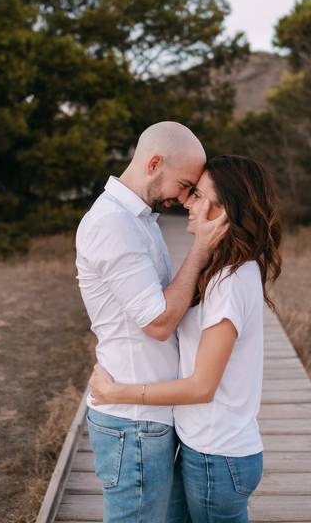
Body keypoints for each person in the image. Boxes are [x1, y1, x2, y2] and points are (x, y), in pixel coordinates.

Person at [89, 154, 282, 523]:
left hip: (218, 455)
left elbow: (201, 387)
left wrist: (117, 393)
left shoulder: (230, 281)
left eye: (198, 195)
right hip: (202, 449)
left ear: (224, 211)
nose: (187, 203)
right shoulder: (218, 269)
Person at [75, 121, 229, 523]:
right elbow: (159, 322)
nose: (184, 198)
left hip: (148, 415)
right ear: (154, 162)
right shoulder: (113, 225)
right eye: (184, 185)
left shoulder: (139, 220)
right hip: (133, 423)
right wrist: (200, 249)